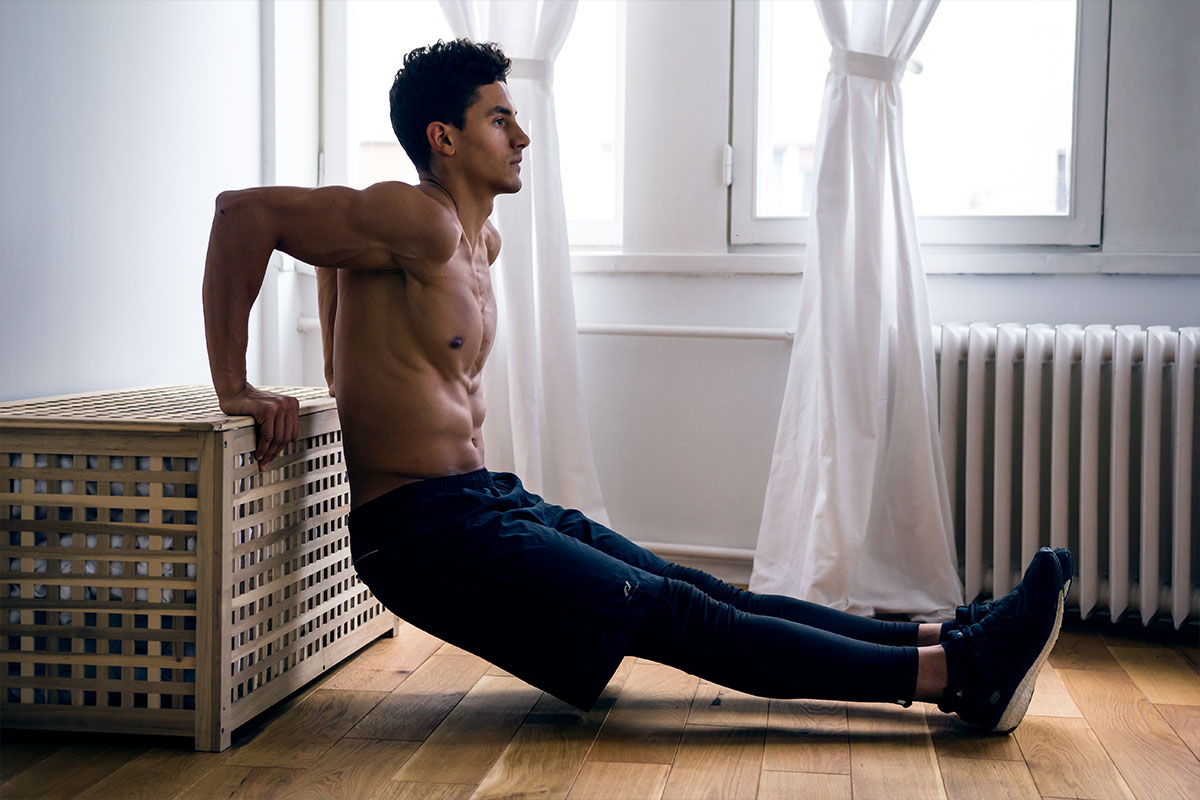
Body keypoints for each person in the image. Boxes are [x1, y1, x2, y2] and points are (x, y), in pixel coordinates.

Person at [202, 38, 1071, 734]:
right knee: (687, 623)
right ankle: (960, 679)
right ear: (445, 137)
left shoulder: (479, 246)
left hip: (477, 501)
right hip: (420, 533)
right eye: (501, 119)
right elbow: (247, 215)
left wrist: (339, 354)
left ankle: (946, 636)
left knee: (706, 593)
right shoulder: (410, 216)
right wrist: (236, 385)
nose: (523, 138)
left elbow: (326, 262)